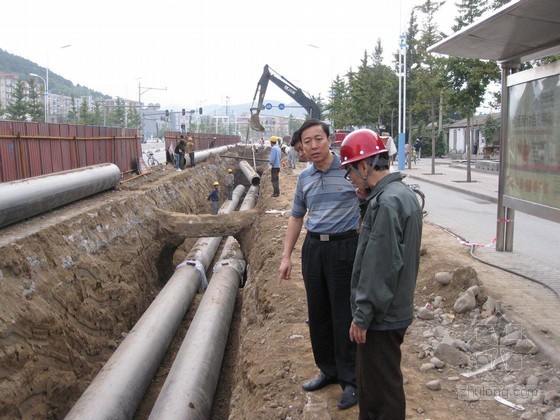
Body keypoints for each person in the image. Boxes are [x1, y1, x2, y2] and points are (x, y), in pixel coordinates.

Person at [339, 129, 423, 420]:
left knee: (380, 392)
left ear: (364, 166)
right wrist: (365, 200)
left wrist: (363, 315)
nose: (349, 178)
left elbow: (380, 264)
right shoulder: (398, 195)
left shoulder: (387, 202)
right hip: (392, 308)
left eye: (349, 171)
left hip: (382, 316)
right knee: (375, 384)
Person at [278, 119, 359, 410]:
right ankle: (328, 369)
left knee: (344, 313)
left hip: (345, 247)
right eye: (307, 141)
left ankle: (351, 379)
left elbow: (367, 204)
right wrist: (286, 256)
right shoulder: (305, 178)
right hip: (314, 248)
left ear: (329, 140)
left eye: (318, 139)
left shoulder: (350, 171)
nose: (313, 146)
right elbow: (297, 216)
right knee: (319, 311)